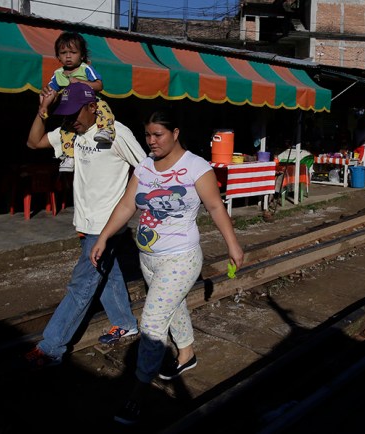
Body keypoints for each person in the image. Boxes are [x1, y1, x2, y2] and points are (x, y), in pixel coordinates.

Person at [89, 110, 244, 425]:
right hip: (149, 259)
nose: (151, 141)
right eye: (147, 135)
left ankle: (138, 393)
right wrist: (104, 236)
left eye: (157, 134)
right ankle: (187, 354)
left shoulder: (196, 167)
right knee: (173, 309)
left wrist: (233, 245)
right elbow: (127, 204)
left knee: (152, 324)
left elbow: (215, 206)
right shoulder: (145, 166)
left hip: (181, 258)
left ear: (175, 133)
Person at [24, 81, 147, 368]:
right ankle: (125, 323)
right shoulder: (70, 133)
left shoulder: (116, 133)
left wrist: (127, 206)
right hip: (86, 221)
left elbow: (144, 168)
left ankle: (52, 346)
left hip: (106, 225)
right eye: (65, 113)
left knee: (81, 285)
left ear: (93, 107)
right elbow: (34, 142)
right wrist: (43, 111)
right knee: (108, 273)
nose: (70, 119)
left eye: (74, 112)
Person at [39, 31, 116, 173]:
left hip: (91, 103)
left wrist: (81, 82)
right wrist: (43, 107)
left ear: (81, 55)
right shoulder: (58, 74)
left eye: (73, 52)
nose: (68, 56)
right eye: (63, 52)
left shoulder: (85, 69)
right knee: (65, 130)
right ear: (58, 56)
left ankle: (106, 131)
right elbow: (50, 92)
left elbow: (99, 85)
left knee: (104, 109)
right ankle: (68, 157)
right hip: (71, 109)